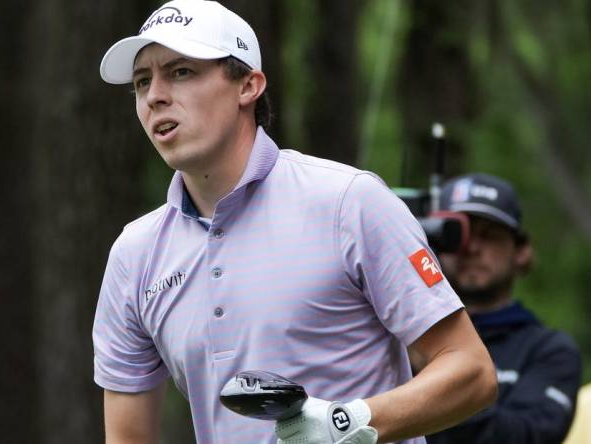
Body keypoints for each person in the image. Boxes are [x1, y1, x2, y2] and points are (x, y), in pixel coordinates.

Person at [92, 1, 497, 443]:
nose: (155, 95)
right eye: (142, 81)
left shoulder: (348, 201)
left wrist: (348, 423)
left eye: (181, 72)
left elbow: (471, 371)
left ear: (248, 85)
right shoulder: (135, 254)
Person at [426, 173, 582, 444]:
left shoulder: (550, 350)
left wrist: (432, 374)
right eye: (456, 236)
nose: (472, 248)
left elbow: (528, 436)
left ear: (521, 251)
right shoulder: (396, 335)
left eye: (489, 236)